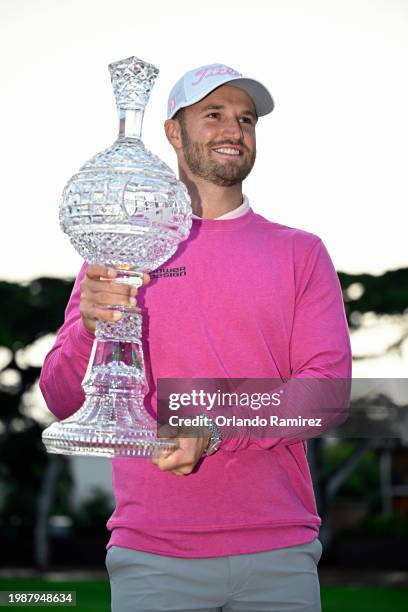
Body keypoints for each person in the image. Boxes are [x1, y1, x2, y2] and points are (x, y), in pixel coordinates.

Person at [40, 63, 352, 611]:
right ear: (172, 132)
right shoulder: (121, 246)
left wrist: (210, 427)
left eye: (246, 119)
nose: (234, 130)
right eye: (213, 115)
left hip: (279, 552)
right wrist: (90, 329)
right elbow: (63, 398)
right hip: (152, 558)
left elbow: (325, 394)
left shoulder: (300, 252)